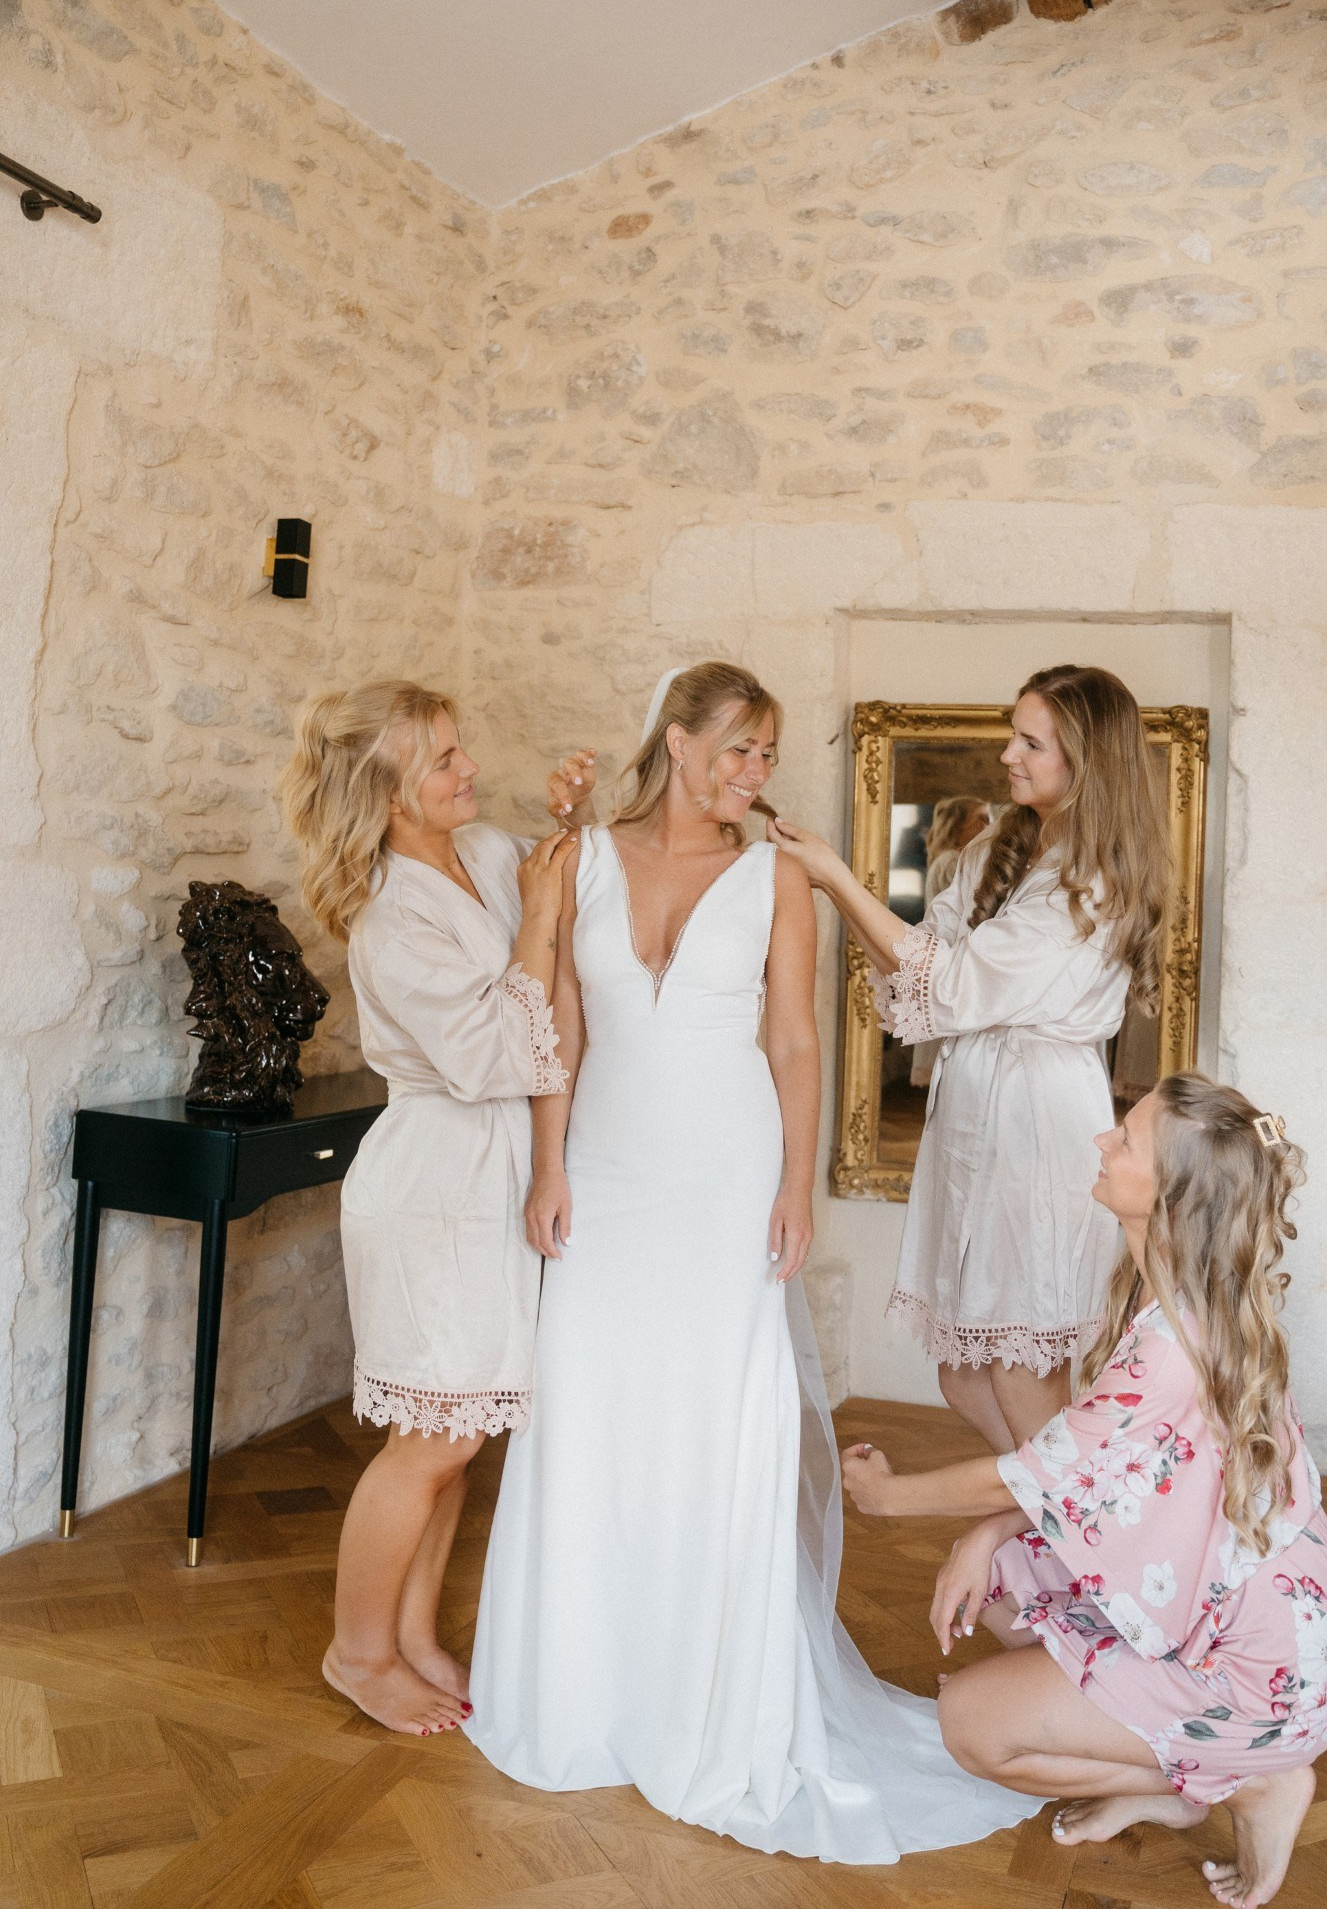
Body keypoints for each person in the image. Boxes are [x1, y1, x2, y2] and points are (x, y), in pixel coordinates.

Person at [466, 661, 1037, 1861]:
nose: (755, 772)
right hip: (603, 1177)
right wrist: (546, 1166)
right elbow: (558, 1026)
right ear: (676, 741)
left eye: (767, 753)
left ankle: (705, 1691)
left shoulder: (777, 875)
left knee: (710, 1415)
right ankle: (585, 1688)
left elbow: (792, 1041)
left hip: (724, 1185)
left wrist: (794, 1186)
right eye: (738, 747)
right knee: (588, 1407)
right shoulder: (580, 858)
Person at [842, 1073, 1327, 1909]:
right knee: (996, 1578)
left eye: (1125, 1140)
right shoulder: (1178, 1295)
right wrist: (987, 1534)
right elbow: (1085, 1470)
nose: (1100, 1142)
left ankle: (1250, 1783)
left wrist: (887, 1496)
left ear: (1170, 1195)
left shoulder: (1171, 1345)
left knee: (971, 1727)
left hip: (1267, 1676)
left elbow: (1035, 1469)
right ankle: (1184, 1780)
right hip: (1278, 1630)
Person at [280, 681, 591, 1737]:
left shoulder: (488, 854)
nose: (471, 770)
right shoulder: (391, 920)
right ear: (389, 796)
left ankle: (412, 1633)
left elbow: (575, 902)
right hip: (430, 1190)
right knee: (426, 1442)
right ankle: (356, 1652)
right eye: (445, 760)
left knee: (460, 1428)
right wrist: (537, 919)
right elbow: (497, 1056)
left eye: (461, 749)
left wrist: (572, 819)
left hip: (491, 1181)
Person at [773, 665, 1170, 1454]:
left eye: (1031, 743)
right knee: (962, 1373)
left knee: (1020, 1372)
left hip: (1036, 1124)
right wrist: (838, 893)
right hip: (973, 1117)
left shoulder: (1091, 882)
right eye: (1011, 736)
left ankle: (1066, 1517)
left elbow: (952, 984)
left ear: (1087, 760)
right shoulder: (1002, 845)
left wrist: (835, 876)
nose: (1007, 756)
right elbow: (920, 959)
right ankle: (1051, 1508)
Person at [911, 796, 992, 1090]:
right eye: (980, 819)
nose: (987, 825)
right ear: (958, 827)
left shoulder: (948, 860)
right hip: (951, 958)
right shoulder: (953, 862)